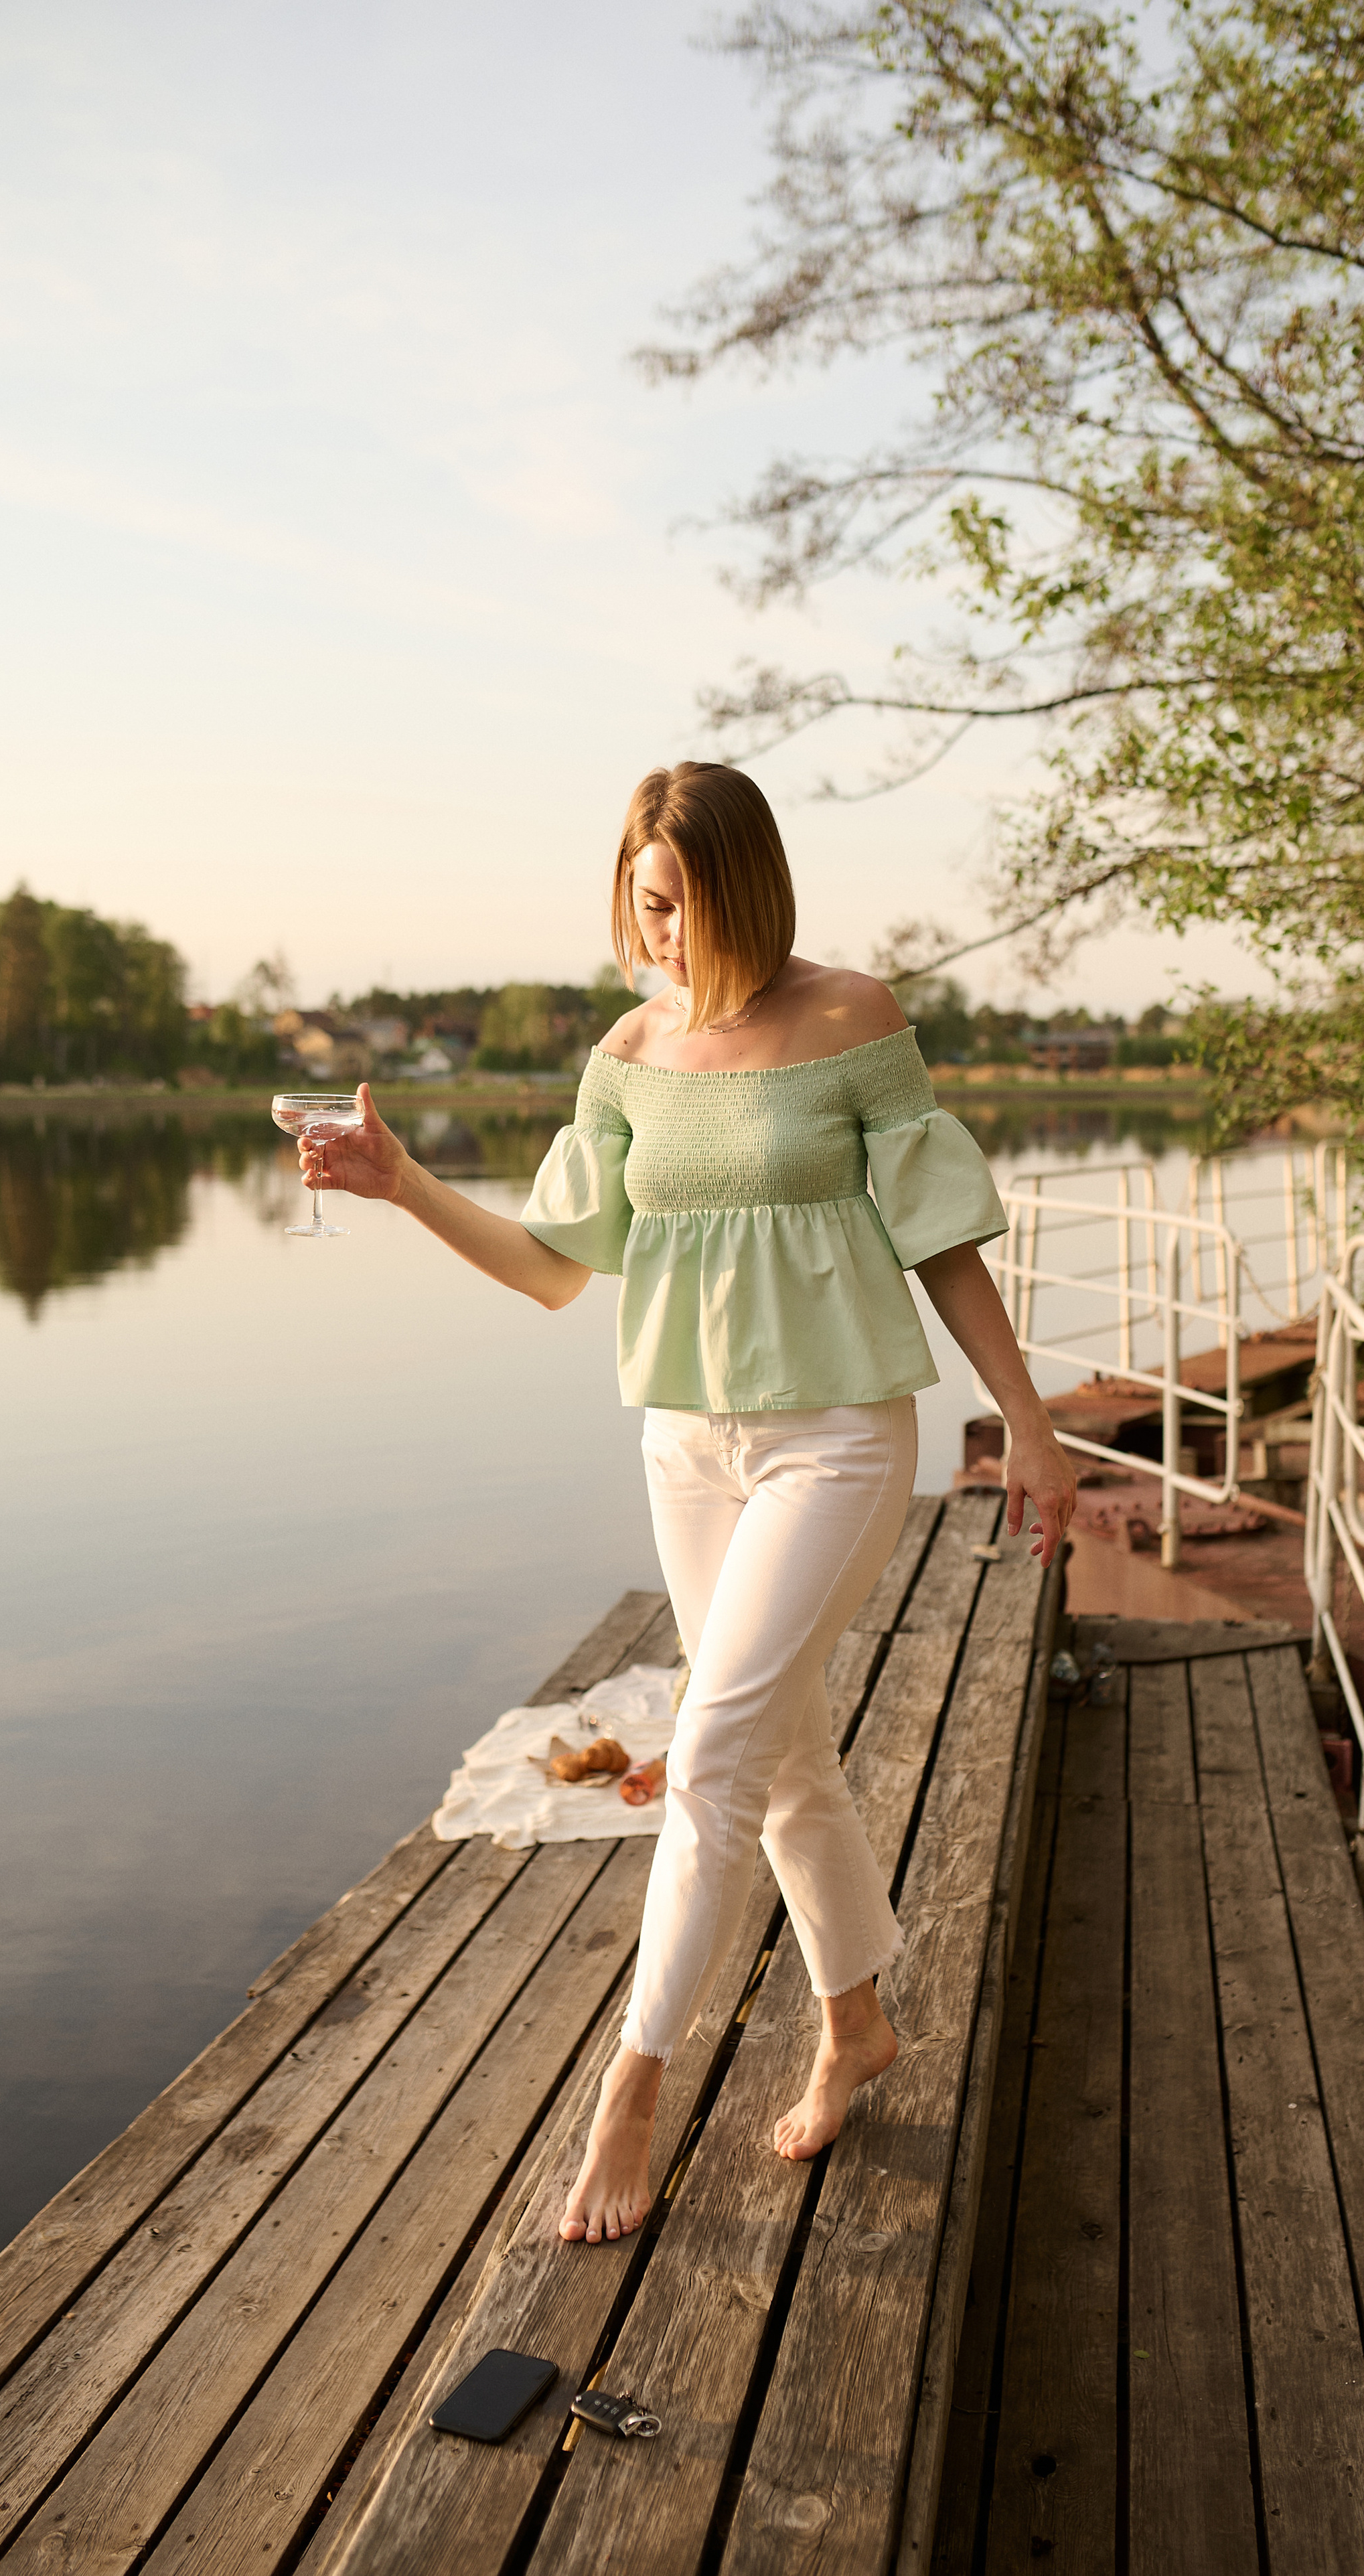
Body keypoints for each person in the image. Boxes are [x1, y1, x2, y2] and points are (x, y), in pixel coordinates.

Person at [297, 762, 1076, 2247]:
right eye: (644, 900)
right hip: (685, 1447)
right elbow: (548, 1264)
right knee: (779, 1760)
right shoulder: (626, 1054)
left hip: (835, 1440)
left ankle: (631, 2087)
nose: (661, 931)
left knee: (711, 1751)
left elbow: (942, 1246)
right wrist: (399, 1180)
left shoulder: (852, 1019)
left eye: (688, 903)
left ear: (750, 891)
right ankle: (855, 2026)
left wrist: (1025, 1424)